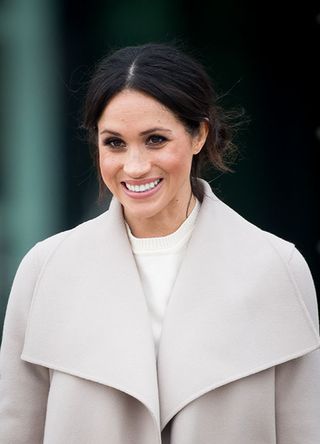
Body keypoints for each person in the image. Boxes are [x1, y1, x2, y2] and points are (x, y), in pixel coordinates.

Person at [0, 43, 319, 444]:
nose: (134, 166)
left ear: (199, 134)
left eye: (155, 139)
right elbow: (15, 428)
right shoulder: (45, 272)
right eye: (114, 142)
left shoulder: (276, 268)